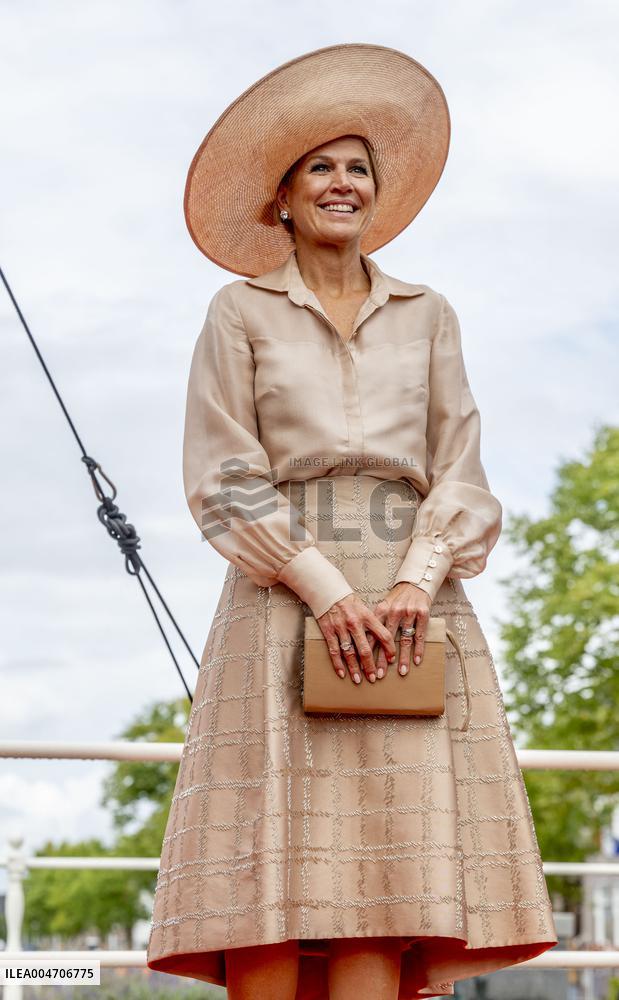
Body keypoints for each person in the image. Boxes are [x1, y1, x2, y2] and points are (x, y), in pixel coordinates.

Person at [146, 43, 558, 999]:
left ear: (375, 192)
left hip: (419, 602)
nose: (342, 183)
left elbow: (462, 469)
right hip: (281, 594)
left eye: (357, 167)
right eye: (319, 167)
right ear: (281, 198)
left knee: (385, 873)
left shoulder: (429, 314)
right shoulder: (237, 312)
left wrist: (416, 580)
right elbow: (221, 474)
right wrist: (325, 590)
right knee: (272, 866)